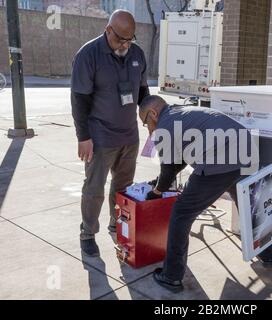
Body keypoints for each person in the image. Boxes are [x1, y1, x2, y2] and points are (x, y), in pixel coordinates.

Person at [139, 95, 272, 293]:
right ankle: (266, 253)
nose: (148, 129)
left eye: (145, 123)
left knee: (181, 213)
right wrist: (160, 183)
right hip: (247, 150)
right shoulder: (183, 113)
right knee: (247, 206)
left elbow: (168, 169)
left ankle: (171, 277)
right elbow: (179, 161)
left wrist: (157, 192)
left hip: (220, 160)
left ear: (153, 113)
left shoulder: (164, 126)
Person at [71, 9, 150, 257]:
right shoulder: (89, 54)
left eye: (129, 40)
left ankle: (117, 224)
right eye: (120, 39)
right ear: (108, 30)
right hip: (100, 135)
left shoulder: (137, 54)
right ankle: (87, 232)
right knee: (94, 188)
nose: (125, 45)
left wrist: (152, 121)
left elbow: (143, 93)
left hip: (129, 136)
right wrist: (83, 137)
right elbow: (79, 99)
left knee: (123, 187)